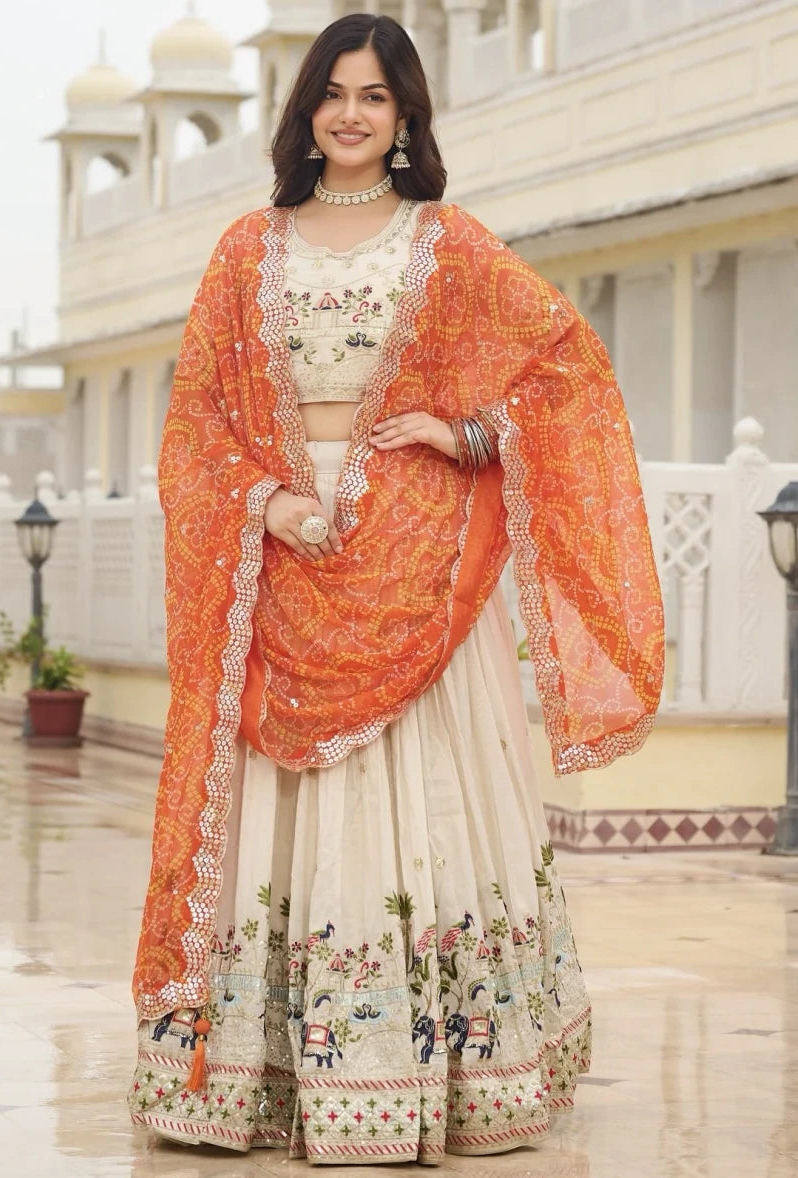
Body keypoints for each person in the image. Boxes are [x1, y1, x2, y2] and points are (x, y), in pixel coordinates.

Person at [127, 13, 663, 1165]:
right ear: (304, 106)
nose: (352, 115)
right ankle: (262, 1075)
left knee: (426, 791)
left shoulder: (449, 240)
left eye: (376, 97)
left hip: (413, 546)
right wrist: (263, 504)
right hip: (281, 544)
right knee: (275, 806)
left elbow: (568, 370)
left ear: (408, 114)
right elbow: (193, 426)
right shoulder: (244, 248)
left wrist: (471, 430)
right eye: (334, 93)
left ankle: (437, 1069)